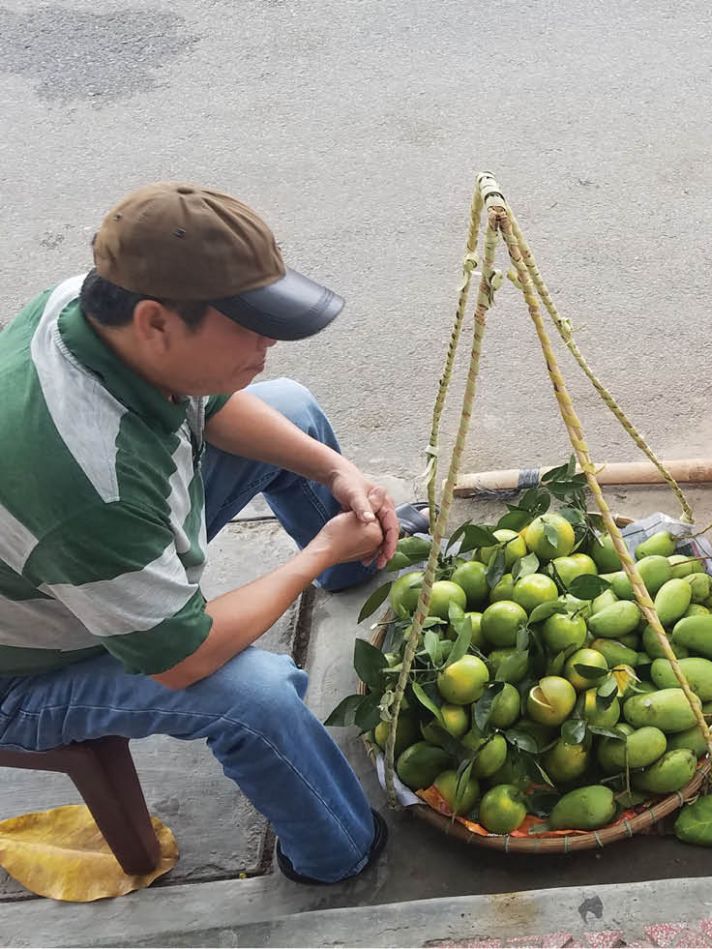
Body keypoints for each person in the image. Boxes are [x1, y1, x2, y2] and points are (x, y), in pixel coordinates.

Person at [0, 183, 420, 885]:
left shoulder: (95, 305)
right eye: (249, 326)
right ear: (156, 322)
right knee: (253, 697)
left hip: (78, 567)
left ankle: (353, 564)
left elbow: (214, 400)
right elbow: (182, 658)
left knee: (292, 409)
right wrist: (318, 548)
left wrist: (336, 470)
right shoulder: (90, 483)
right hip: (22, 672)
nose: (269, 343)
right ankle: (338, 855)